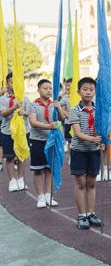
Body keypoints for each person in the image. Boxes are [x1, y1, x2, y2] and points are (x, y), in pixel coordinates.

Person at [68, 77, 103, 229]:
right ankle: (82, 215)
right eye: (85, 89)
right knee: (80, 183)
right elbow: (77, 133)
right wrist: (93, 138)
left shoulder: (99, 109)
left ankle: (91, 213)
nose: (88, 92)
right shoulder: (74, 111)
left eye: (91, 89)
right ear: (78, 92)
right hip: (79, 151)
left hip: (94, 151)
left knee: (91, 183)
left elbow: (103, 127)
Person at [27, 79, 64, 208]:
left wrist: (58, 108)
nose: (48, 90)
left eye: (50, 88)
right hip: (37, 141)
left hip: (51, 140)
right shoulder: (33, 105)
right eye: (45, 88)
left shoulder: (53, 104)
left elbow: (62, 118)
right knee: (38, 170)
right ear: (38, 90)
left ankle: (49, 195)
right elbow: (33, 122)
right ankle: (40, 196)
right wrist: (49, 126)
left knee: (49, 169)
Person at [0, 72, 31, 192]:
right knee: (9, 157)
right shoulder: (3, 99)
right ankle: (12, 180)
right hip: (8, 132)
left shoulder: (25, 98)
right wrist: (13, 108)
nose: (15, 85)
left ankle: (21, 178)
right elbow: (2, 113)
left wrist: (24, 113)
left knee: (21, 155)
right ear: (7, 84)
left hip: (23, 131)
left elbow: (29, 113)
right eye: (12, 82)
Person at [60, 78, 73, 151]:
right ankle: (71, 158)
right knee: (69, 140)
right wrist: (67, 115)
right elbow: (60, 107)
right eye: (66, 86)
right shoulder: (65, 97)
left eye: (68, 85)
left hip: (78, 122)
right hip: (68, 122)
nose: (67, 87)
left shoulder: (80, 96)